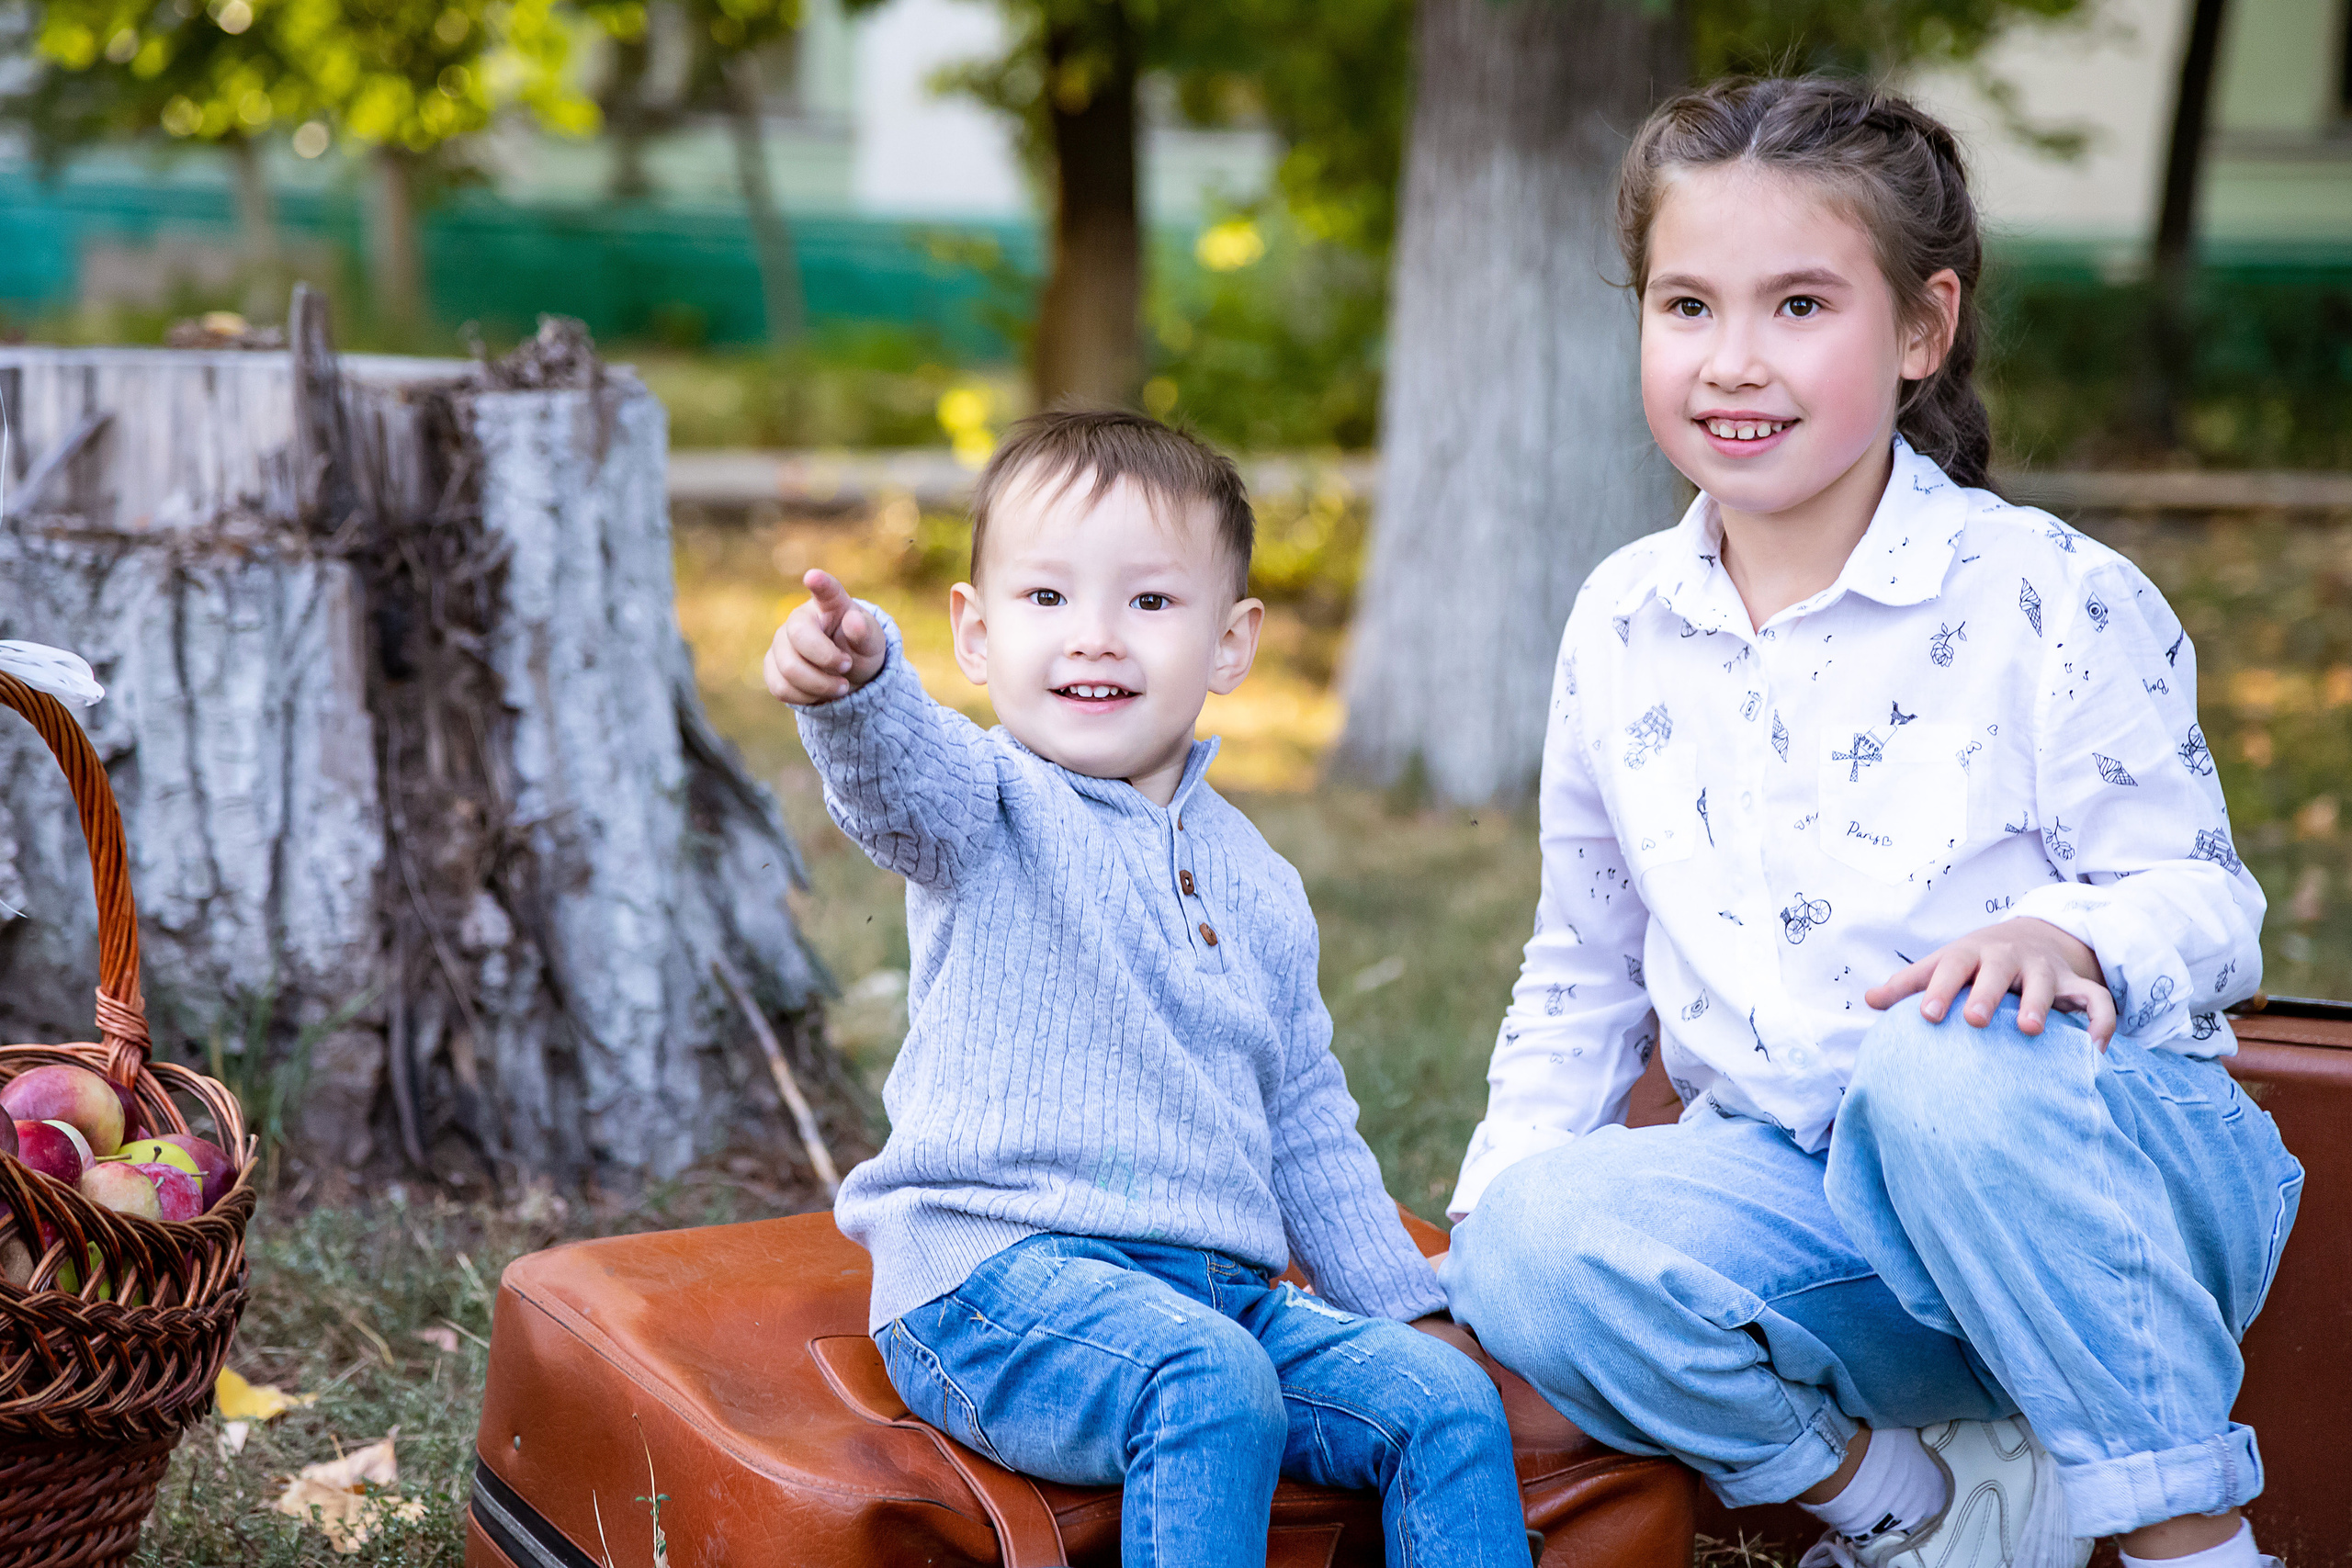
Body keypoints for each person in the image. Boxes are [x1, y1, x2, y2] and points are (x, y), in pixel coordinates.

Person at [1438, 76, 2304, 1568]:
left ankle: (2190, 1539)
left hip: (2107, 1192)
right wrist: (1489, 1232)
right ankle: (1914, 1506)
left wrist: (2064, 932)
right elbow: (1581, 965)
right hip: (1827, 1231)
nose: (1732, 361)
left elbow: (2209, 901)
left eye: (1797, 306)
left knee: (1941, 1064)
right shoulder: (1621, 622)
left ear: (1921, 327)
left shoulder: (2049, 597)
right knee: (1521, 1237)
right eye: (1687, 305)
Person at [762, 409, 1528, 1568]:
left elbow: (1305, 1120)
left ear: (1230, 643)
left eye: (1151, 603)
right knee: (1206, 1384)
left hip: (1220, 1294)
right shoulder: (985, 802)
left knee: (1440, 1403)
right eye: (1047, 599)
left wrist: (1403, 1310)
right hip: (997, 1282)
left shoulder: (1258, 882)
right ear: (973, 631)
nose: (1097, 639)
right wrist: (854, 688)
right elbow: (893, 781)